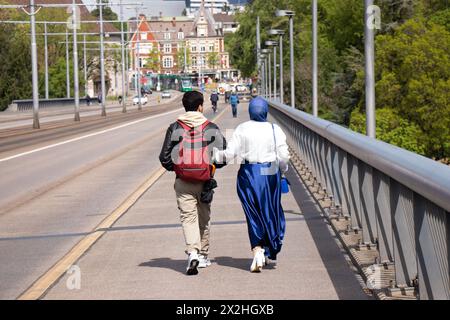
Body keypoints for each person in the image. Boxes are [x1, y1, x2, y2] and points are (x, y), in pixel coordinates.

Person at [214, 97, 290, 273]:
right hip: (270, 172)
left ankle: (257, 249)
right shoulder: (274, 129)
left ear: (250, 111)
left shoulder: (243, 128)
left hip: (248, 173)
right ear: (265, 111)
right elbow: (284, 157)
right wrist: (283, 170)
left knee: (252, 212)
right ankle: (269, 245)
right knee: (271, 210)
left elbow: (230, 153)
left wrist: (216, 156)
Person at [159, 91, 227, 276]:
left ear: (184, 106)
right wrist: (208, 167)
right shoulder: (210, 127)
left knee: (188, 218)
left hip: (183, 182)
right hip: (205, 181)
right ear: (200, 106)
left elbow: (164, 158)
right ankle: (203, 255)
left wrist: (180, 169)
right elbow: (222, 157)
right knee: (204, 218)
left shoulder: (175, 127)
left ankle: (193, 253)